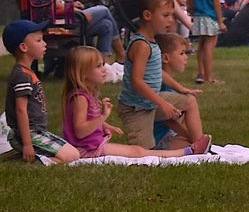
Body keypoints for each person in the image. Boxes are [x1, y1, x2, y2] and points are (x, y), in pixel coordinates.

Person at [60, 46, 198, 159]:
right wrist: (103, 116)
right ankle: (186, 152)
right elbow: (80, 131)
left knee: (138, 151)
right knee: (138, 152)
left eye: (103, 64)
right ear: (83, 73)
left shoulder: (86, 95)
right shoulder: (80, 99)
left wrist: (107, 126)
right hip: (86, 149)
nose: (104, 69)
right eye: (98, 66)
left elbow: (88, 121)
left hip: (90, 145)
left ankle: (185, 151)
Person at [117, 0, 209, 152]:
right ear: (148, 15)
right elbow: (137, 81)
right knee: (145, 155)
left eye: (172, 15)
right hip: (136, 108)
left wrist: (181, 89)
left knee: (189, 101)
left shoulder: (152, 42)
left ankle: (198, 146)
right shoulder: (142, 45)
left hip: (150, 102)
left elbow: (158, 73)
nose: (171, 20)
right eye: (165, 15)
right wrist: (163, 104)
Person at [4, 20, 81, 165]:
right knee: (72, 156)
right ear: (24, 47)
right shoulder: (22, 76)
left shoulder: (27, 72)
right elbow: (21, 110)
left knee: (74, 153)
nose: (45, 44)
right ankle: (24, 163)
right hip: (28, 134)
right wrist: (27, 144)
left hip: (37, 131)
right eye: (39, 40)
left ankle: (22, 158)